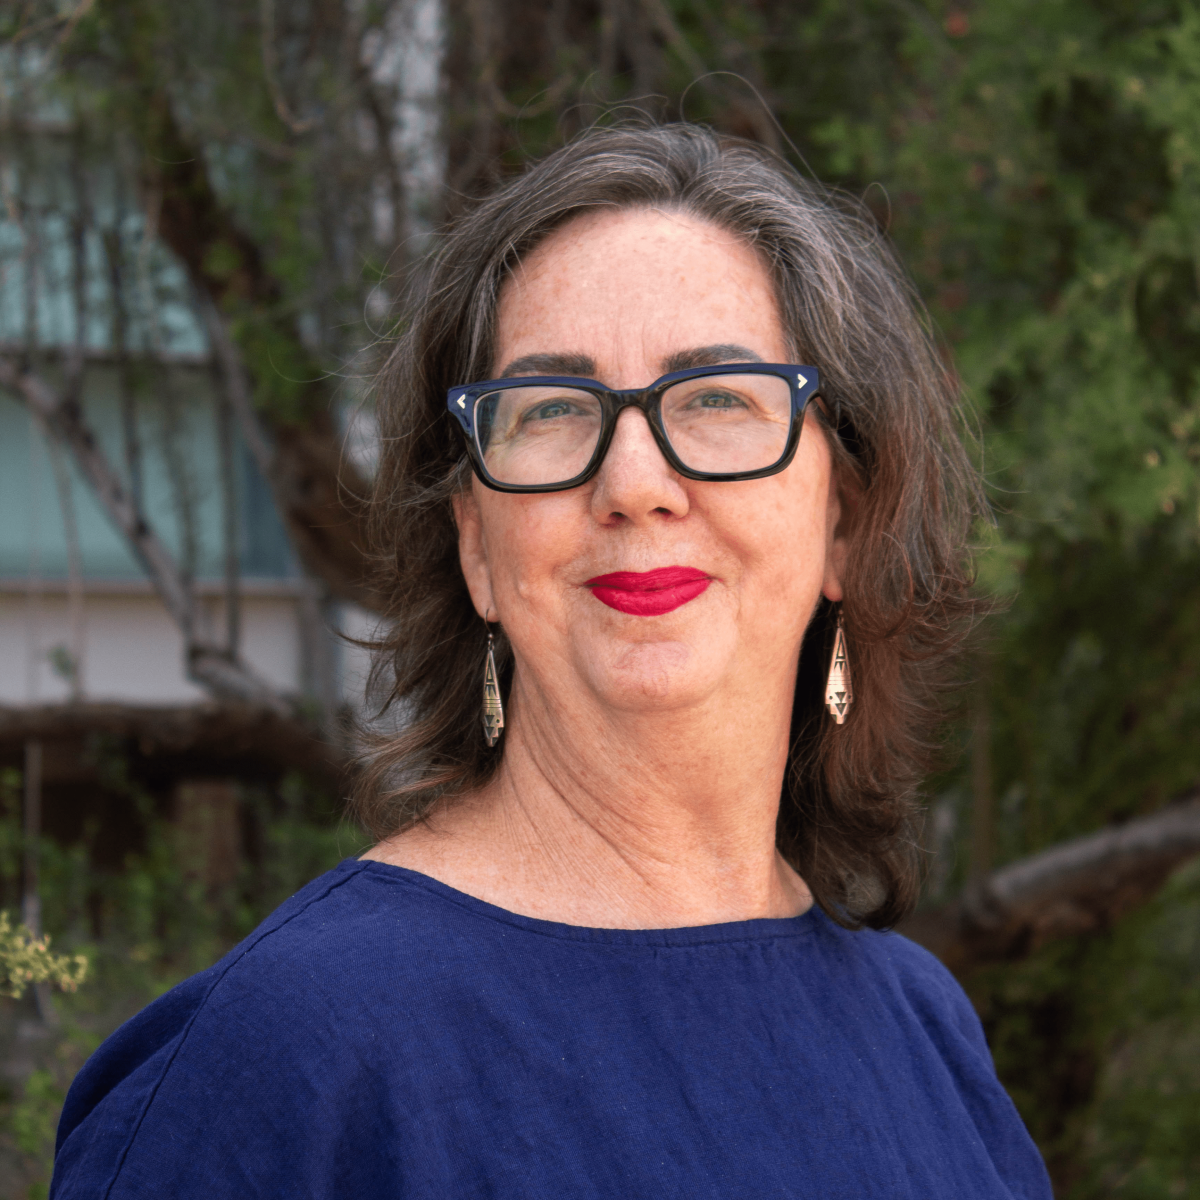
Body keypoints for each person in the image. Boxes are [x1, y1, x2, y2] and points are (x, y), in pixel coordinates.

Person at [50, 124, 1051, 1199]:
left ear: (844, 522)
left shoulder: (924, 1031)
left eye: (718, 397)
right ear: (477, 548)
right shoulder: (287, 1056)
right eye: (554, 411)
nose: (634, 484)